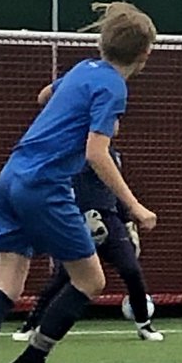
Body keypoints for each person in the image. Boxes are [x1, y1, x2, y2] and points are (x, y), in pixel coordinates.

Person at [0, 1, 158, 363]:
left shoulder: (83, 70)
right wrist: (134, 206)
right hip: (45, 185)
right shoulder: (115, 86)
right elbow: (97, 153)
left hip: (11, 176)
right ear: (145, 54)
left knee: (6, 285)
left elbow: (45, 95)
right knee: (91, 281)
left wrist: (75, 111)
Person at [12, 131, 163, 344]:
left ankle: (143, 324)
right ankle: (32, 323)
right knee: (64, 275)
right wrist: (81, 214)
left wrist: (128, 222)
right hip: (81, 219)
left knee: (131, 270)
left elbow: (116, 190)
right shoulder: (82, 150)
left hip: (110, 219)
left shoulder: (111, 153)